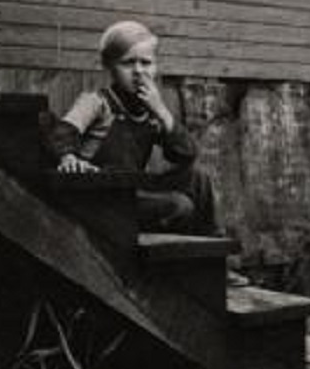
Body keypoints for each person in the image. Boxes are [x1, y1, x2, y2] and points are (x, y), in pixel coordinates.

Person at [42, 20, 217, 235]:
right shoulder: (97, 102)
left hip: (130, 190)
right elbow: (62, 132)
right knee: (180, 206)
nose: (138, 71)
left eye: (146, 63)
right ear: (109, 67)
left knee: (199, 179)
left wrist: (161, 111)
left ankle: (210, 244)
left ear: (155, 67)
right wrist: (68, 157)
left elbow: (185, 154)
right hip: (101, 198)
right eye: (128, 63)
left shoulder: (151, 113)